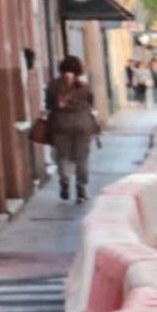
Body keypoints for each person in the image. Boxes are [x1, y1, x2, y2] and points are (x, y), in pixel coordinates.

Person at [37, 58, 101, 203]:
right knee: (82, 158)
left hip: (60, 124)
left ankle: (65, 179)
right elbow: (91, 104)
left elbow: (49, 105)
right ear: (79, 68)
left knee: (62, 156)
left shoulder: (52, 85)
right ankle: (81, 190)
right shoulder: (85, 86)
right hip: (82, 124)